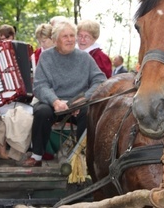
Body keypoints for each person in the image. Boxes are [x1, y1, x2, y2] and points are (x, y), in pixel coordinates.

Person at [21, 20, 107, 167]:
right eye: (65, 36)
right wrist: (55, 101)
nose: (70, 39)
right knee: (42, 112)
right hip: (53, 102)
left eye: (72, 36)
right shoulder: (46, 57)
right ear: (55, 40)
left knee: (89, 113)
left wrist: (84, 99)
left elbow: (100, 80)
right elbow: (40, 85)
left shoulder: (85, 57)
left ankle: (82, 158)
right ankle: (36, 155)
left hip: (78, 103)